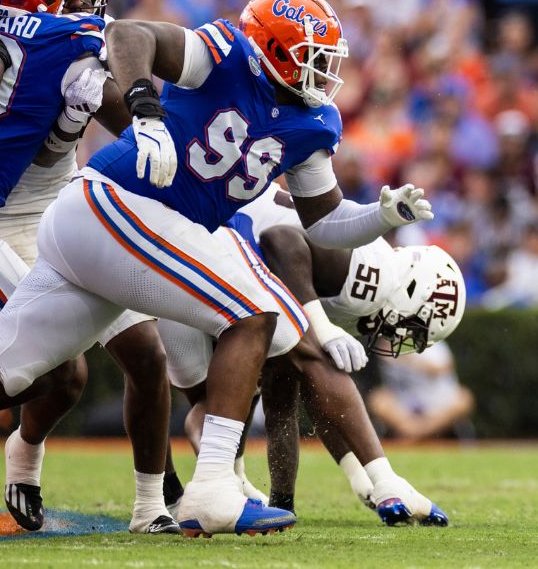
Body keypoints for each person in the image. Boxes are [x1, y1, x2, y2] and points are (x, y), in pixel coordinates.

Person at [0, 0, 434, 537]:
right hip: (124, 203)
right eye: (314, 57)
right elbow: (127, 34)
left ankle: (209, 486)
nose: (324, 71)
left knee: (5, 372)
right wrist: (145, 108)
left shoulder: (314, 124)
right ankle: (214, 487)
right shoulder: (226, 54)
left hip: (108, 220)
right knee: (253, 314)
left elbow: (326, 222)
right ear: (274, 48)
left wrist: (382, 218)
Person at [0, 0, 183, 536]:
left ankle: (154, 503)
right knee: (61, 370)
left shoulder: (78, 52)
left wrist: (159, 128)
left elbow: (125, 114)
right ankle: (27, 453)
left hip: (59, 208)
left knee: (146, 356)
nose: (90, 5)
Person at [159, 185, 462, 524]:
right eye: (413, 327)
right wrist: (319, 323)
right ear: (413, 290)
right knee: (213, 399)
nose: (401, 337)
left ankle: (202, 493)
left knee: (262, 386)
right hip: (201, 244)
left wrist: (354, 477)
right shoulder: (374, 278)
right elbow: (281, 240)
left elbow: (307, 394)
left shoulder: (367, 278)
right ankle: (386, 481)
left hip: (196, 250)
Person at [368, 341, 475, 442]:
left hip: (439, 405)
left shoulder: (435, 344)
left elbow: (439, 369)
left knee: (463, 398)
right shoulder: (388, 345)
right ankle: (414, 433)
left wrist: (408, 357)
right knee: (378, 399)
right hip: (403, 407)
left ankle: (416, 435)